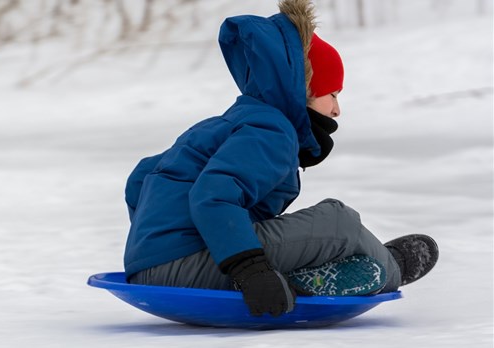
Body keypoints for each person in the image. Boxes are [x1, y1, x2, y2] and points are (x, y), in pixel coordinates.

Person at [123, 0, 438, 317]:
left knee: (276, 229)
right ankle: (391, 266)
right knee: (340, 223)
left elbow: (142, 177)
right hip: (187, 266)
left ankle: (294, 277)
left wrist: (151, 246)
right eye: (333, 94)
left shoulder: (234, 121)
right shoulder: (272, 129)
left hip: (148, 269)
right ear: (307, 89)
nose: (337, 110)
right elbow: (213, 195)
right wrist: (250, 268)